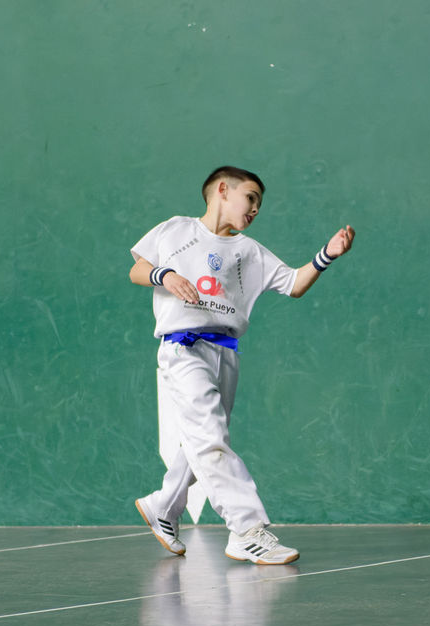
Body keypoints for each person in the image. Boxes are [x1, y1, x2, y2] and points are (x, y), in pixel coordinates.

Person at [128, 166, 355, 564]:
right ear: (222, 190)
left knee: (204, 438)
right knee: (210, 435)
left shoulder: (249, 251)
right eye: (251, 198)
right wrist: (165, 275)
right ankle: (246, 530)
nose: (255, 209)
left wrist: (326, 256)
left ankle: (163, 505)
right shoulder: (176, 230)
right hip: (183, 348)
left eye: (259, 204)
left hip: (225, 352)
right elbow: (137, 270)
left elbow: (294, 284)